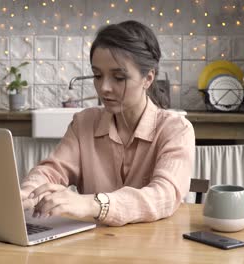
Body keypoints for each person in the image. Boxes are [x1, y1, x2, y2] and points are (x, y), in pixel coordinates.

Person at [20, 20, 195, 227]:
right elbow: (52, 171)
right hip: (94, 248)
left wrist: (93, 204)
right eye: (97, 75)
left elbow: (163, 195)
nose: (104, 88)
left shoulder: (176, 130)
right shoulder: (84, 122)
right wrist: (27, 194)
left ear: (148, 78)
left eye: (119, 78)